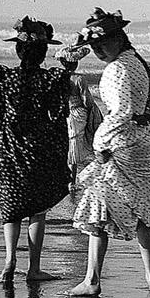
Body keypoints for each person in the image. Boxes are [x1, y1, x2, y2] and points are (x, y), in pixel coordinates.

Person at [69, 8, 150, 296]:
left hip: (120, 145)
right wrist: (145, 121)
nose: (98, 49)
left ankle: (92, 280)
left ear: (119, 38)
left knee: (97, 207)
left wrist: (99, 144)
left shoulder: (117, 69)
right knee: (141, 209)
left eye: (103, 42)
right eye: (93, 46)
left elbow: (120, 112)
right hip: (144, 145)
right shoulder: (141, 63)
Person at [0, 17, 72, 283]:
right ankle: (34, 269)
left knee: (11, 207)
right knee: (38, 209)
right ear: (43, 52)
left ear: (18, 50)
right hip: (38, 145)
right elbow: (59, 114)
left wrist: (1, 139)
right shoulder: (50, 80)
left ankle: (10, 259)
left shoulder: (4, 77)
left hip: (8, 146)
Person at [60, 33, 102, 196]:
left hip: (66, 113)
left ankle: (70, 180)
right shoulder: (79, 79)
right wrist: (93, 111)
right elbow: (86, 99)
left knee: (72, 146)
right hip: (79, 113)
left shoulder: (60, 77)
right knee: (80, 144)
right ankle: (74, 180)